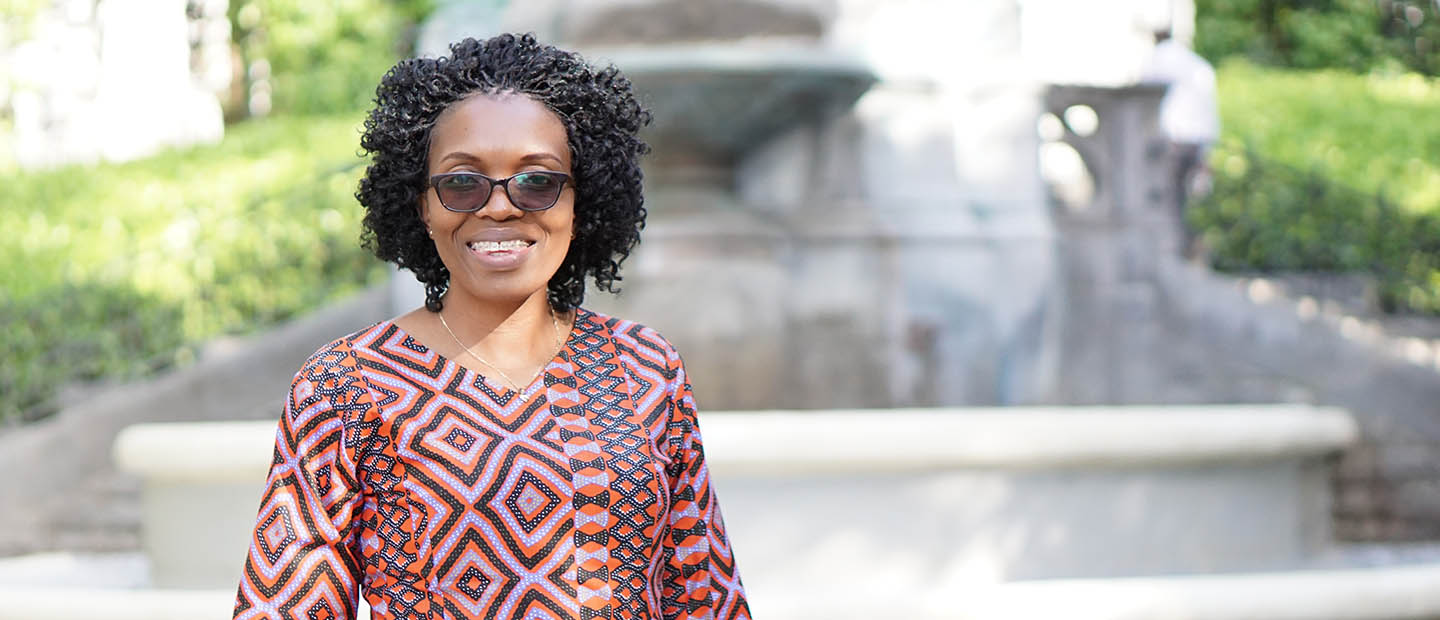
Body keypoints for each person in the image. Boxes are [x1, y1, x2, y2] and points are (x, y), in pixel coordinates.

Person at [232, 33, 750, 620]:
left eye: (538, 180)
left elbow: (703, 589)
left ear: (579, 203)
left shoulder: (645, 367)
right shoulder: (347, 386)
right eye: (461, 182)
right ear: (421, 204)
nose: (499, 206)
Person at [1140, 28, 1220, 258]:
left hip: (1173, 140)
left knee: (1167, 195)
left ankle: (1173, 246)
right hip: (1197, 141)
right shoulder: (1199, 66)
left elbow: (1144, 92)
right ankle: (1186, 245)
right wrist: (1208, 150)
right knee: (1185, 198)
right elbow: (1210, 114)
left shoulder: (1160, 59)